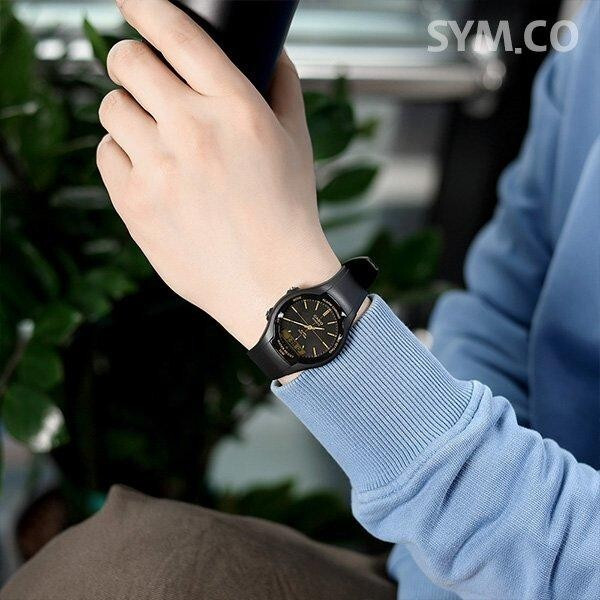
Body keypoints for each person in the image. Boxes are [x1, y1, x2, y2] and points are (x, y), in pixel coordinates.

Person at [3, 0, 598, 598]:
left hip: (511, 542)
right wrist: (441, 572)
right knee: (108, 571)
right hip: (471, 547)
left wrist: (282, 282)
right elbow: (504, 304)